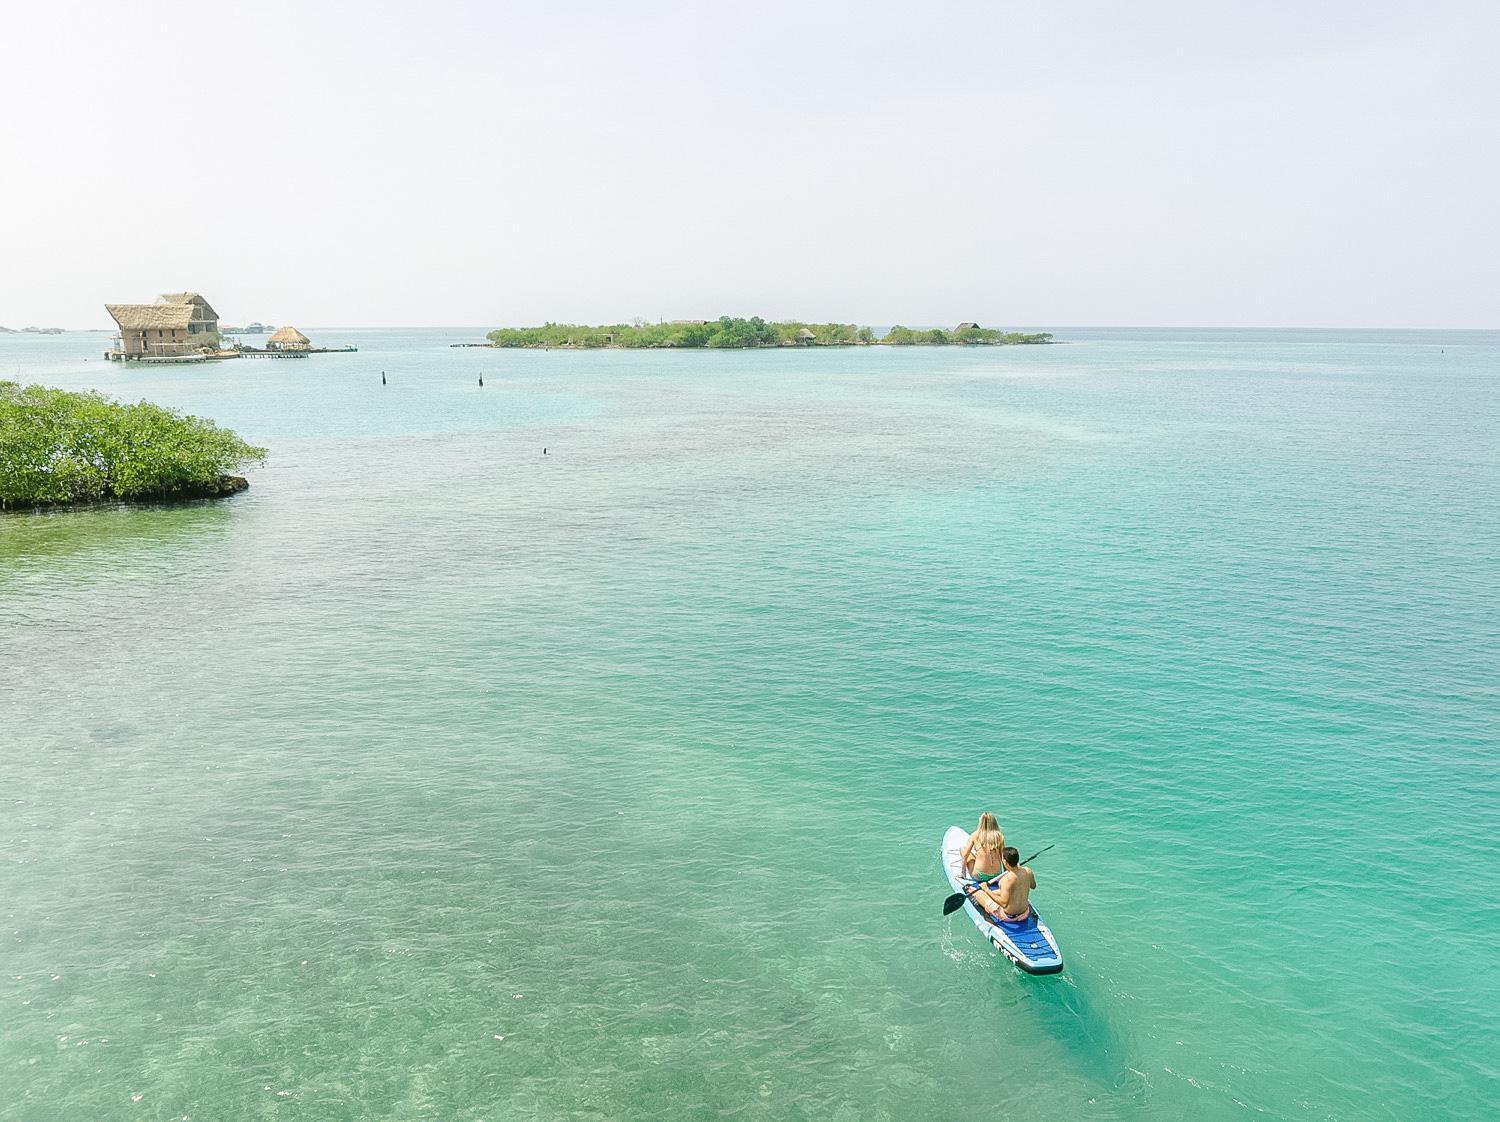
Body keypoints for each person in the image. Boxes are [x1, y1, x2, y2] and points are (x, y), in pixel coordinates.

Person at [970, 846, 1035, 923]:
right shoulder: (1027, 870)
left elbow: (1003, 904)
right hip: (1025, 912)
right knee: (999, 892)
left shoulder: (1006, 880)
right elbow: (1033, 886)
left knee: (978, 894)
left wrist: (986, 889)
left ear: (1005, 861)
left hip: (1009, 917)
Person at [960, 812, 1005, 883]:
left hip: (980, 876)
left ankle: (963, 873)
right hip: (997, 875)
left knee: (962, 849)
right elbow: (1003, 857)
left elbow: (965, 855)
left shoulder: (975, 835)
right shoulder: (999, 836)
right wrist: (1006, 873)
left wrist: (963, 872)